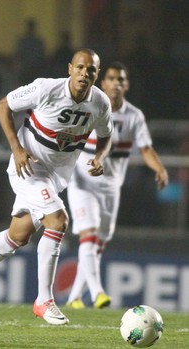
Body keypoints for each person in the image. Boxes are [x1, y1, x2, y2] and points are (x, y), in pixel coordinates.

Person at [0, 48, 114, 325]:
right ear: (70, 68)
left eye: (90, 70)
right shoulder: (46, 89)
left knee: (19, 235)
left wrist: (99, 157)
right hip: (28, 168)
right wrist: (16, 149)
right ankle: (44, 300)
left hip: (56, 177)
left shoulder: (100, 103)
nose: (84, 73)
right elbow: (3, 105)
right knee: (58, 220)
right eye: (79, 67)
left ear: (96, 74)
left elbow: (106, 135)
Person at [65, 62, 169, 309]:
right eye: (111, 78)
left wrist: (160, 168)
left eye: (121, 79)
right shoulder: (89, 107)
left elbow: (145, 148)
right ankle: (98, 291)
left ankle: (74, 297)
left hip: (111, 186)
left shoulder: (134, 116)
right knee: (89, 236)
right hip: (82, 182)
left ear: (127, 85)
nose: (116, 83)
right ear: (103, 83)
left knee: (97, 242)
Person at [14, 19, 46, 84]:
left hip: (26, 67)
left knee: (24, 86)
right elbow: (41, 55)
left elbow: (18, 54)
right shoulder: (38, 41)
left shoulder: (23, 40)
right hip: (35, 67)